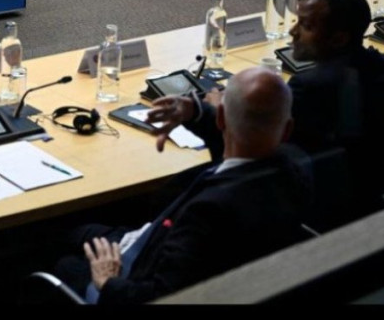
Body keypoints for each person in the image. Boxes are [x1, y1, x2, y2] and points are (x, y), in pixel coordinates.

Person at [56, 67, 310, 305]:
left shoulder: (208, 211)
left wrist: (107, 281)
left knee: (59, 252)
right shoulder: (295, 167)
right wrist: (197, 112)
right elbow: (245, 136)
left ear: (221, 118)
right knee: (79, 233)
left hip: (136, 272)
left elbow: (164, 295)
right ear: (288, 129)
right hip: (211, 270)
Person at [285, 0, 384, 211]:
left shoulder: (308, 86)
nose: (293, 31)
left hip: (340, 209)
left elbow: (269, 145)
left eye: (306, 26)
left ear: (339, 39)